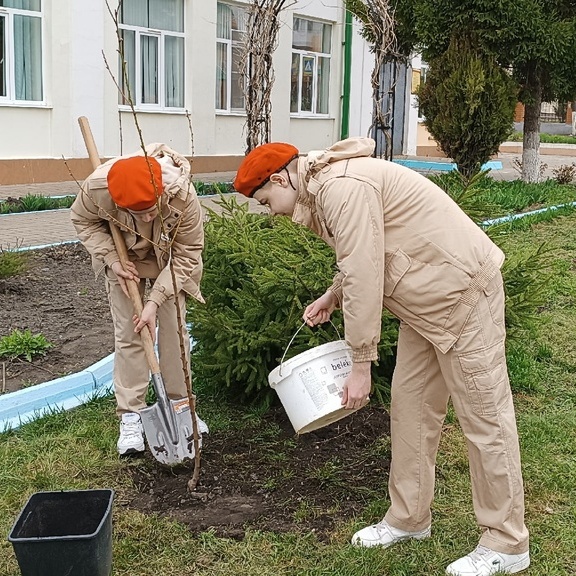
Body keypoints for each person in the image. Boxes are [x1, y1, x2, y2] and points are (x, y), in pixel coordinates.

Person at [233, 137, 529, 576]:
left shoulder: (341, 187)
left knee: (485, 420)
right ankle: (409, 519)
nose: (269, 209)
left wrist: (360, 364)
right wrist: (333, 295)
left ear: (280, 178)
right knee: (410, 411)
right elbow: (365, 253)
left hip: (464, 294)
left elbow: (365, 273)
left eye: (265, 199)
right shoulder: (322, 186)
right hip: (425, 307)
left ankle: (507, 542)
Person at [71, 144, 204, 456]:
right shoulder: (97, 189)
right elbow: (83, 221)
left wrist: (154, 301)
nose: (146, 215)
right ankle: (130, 415)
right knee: (130, 334)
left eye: (150, 209)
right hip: (123, 260)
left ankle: (182, 407)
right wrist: (111, 259)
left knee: (173, 332)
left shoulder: (182, 195)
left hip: (169, 262)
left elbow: (188, 253)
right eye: (137, 212)